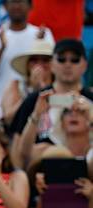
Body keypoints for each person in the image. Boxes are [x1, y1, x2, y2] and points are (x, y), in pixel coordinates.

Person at [10, 39, 93, 168]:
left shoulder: (91, 100)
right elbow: (18, 148)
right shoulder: (36, 99)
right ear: (52, 64)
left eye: (74, 59)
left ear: (85, 65)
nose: (68, 64)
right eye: (61, 59)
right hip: (42, 176)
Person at [0, 0, 53, 123]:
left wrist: (39, 45)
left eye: (21, 2)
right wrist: (2, 48)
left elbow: (52, 72)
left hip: (35, 106)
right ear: (5, 6)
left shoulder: (42, 34)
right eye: (13, 1)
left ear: (30, 6)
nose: (17, 6)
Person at [1, 39, 53, 126]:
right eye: (34, 60)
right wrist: (33, 92)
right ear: (27, 64)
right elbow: (9, 119)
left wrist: (43, 87)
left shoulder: (60, 86)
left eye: (45, 60)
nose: (39, 64)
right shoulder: (16, 85)